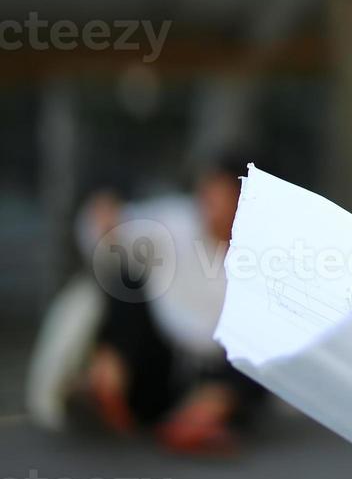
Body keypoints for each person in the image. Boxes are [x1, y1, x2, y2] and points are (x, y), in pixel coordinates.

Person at [69, 150, 270, 454]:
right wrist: (105, 221)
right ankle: (109, 378)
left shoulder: (266, 257)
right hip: (158, 361)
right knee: (128, 279)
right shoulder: (175, 224)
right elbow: (107, 235)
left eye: (220, 191)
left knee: (261, 347)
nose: (209, 199)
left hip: (218, 375)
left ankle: (204, 415)